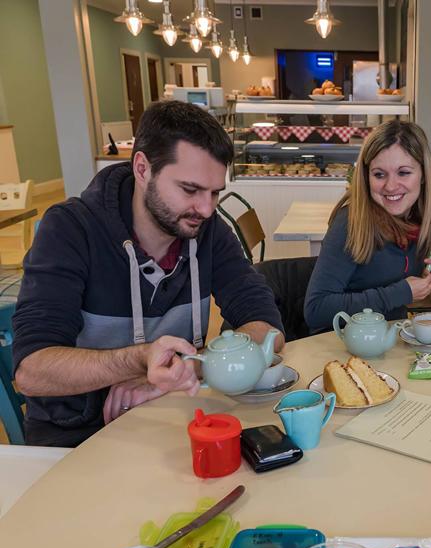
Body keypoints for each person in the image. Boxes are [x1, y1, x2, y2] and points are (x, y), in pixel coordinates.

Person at [12, 101, 285, 447]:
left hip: (170, 425)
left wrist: (186, 368)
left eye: (215, 193)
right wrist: (139, 360)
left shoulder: (208, 230)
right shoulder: (70, 230)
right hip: (77, 441)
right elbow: (32, 371)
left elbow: (267, 330)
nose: (206, 209)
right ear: (142, 169)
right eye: (190, 189)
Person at [304, 120, 431, 333]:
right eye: (379, 174)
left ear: (424, 175)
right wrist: (400, 293)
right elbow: (316, 310)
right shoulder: (350, 223)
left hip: (392, 342)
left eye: (403, 172)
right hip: (342, 344)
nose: (391, 186)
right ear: (366, 177)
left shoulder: (425, 221)